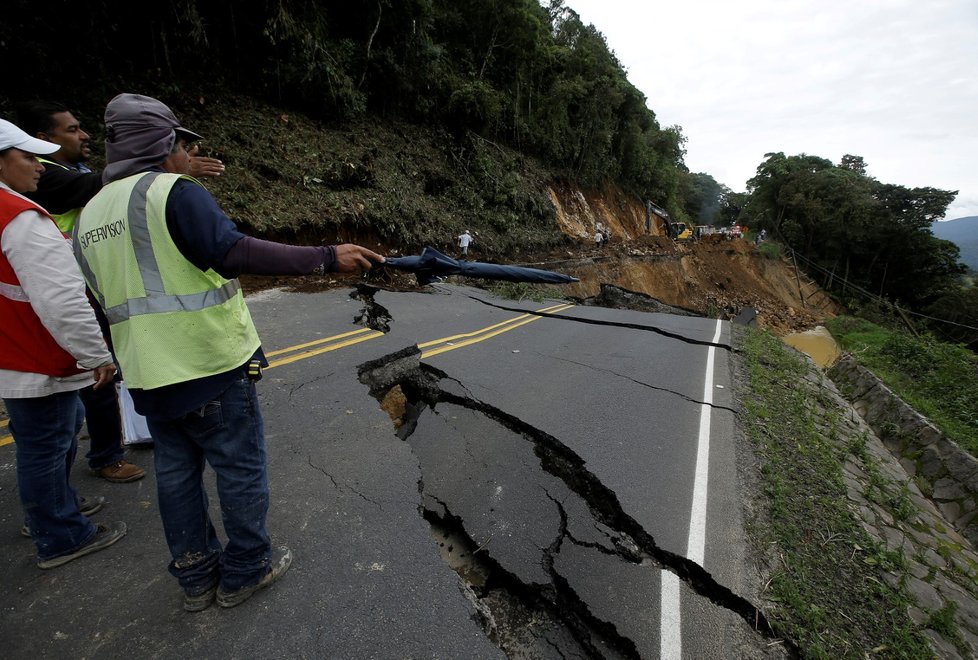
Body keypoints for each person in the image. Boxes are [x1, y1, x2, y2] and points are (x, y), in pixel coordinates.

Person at [73, 93, 384, 612]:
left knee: (176, 476)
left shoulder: (89, 216)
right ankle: (245, 569)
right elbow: (232, 250)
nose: (187, 153)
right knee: (238, 468)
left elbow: (99, 300)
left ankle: (195, 577)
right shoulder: (173, 191)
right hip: (208, 362)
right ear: (164, 143)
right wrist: (327, 256)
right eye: (182, 142)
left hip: (148, 376)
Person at [16, 100, 226, 483]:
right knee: (96, 375)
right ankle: (104, 456)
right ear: (42, 138)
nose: (84, 135)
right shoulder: (48, 178)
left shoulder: (67, 171)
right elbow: (90, 186)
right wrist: (165, 169)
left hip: (93, 285)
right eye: (72, 129)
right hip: (79, 289)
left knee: (91, 385)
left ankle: (99, 454)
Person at [0, 118, 127, 568]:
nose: (39, 167)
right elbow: (63, 299)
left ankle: (55, 508)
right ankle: (61, 533)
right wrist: (96, 355)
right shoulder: (20, 219)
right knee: (46, 444)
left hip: (15, 354)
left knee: (54, 434)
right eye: (28, 157)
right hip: (38, 358)